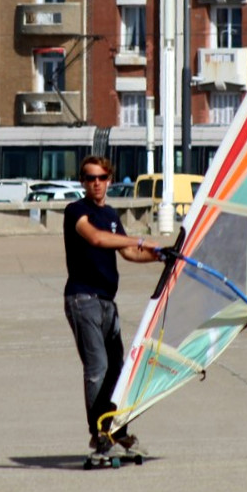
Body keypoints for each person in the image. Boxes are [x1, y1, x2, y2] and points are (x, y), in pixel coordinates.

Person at [63, 155, 161, 463]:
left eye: (102, 177)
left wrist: (160, 255)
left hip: (107, 302)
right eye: (90, 178)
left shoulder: (111, 215)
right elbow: (96, 238)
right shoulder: (76, 211)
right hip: (83, 299)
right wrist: (138, 237)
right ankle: (99, 433)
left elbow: (130, 252)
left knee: (118, 371)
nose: (96, 183)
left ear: (109, 180)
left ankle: (117, 431)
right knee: (97, 368)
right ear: (83, 181)